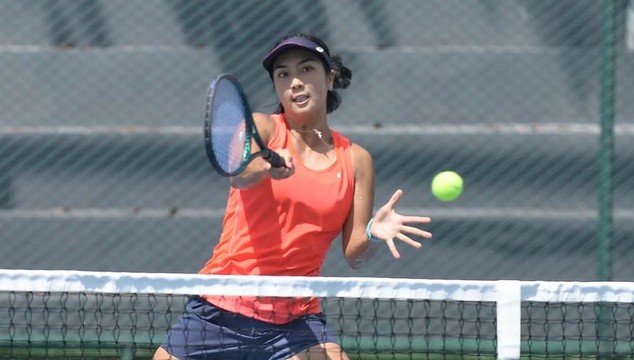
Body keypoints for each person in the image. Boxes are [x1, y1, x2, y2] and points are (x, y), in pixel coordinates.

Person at [153, 33, 431, 360]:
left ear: (329, 78)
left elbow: (355, 255)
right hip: (222, 309)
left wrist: (372, 232)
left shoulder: (357, 160)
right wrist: (266, 168)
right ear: (276, 88)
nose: (295, 82)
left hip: (295, 320)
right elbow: (241, 174)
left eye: (306, 69)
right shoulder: (263, 128)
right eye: (283, 74)